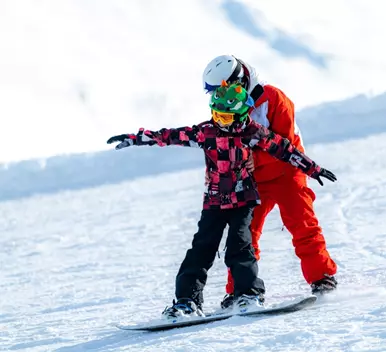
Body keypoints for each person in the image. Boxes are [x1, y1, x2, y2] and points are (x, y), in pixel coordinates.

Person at [107, 81, 337, 319]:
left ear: (240, 115)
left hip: (243, 201)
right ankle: (187, 301)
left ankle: (248, 294)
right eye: (216, 115)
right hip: (214, 203)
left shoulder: (253, 132)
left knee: (241, 247)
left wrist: (313, 169)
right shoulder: (207, 132)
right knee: (200, 250)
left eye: (226, 118)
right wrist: (137, 138)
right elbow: (171, 136)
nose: (220, 122)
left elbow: (285, 150)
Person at [202, 55, 339, 309]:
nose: (222, 95)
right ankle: (241, 289)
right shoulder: (226, 107)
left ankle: (322, 277)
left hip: (288, 174)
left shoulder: (274, 99)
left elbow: (285, 144)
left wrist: (255, 159)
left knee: (303, 225)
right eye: (216, 91)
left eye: (224, 88)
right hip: (254, 182)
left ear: (238, 80)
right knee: (243, 236)